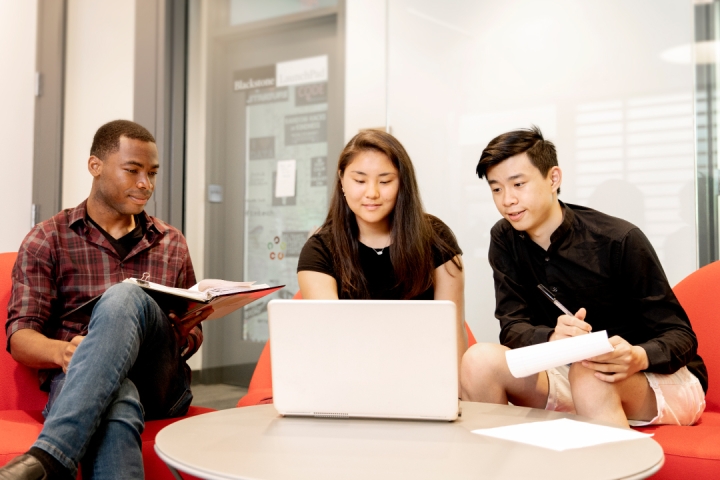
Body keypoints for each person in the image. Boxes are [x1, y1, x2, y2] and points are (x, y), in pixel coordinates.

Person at [460, 126, 707, 428]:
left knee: (592, 371)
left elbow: (681, 337)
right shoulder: (504, 237)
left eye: (518, 184)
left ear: (553, 179)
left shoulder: (619, 239)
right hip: (570, 370)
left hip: (656, 378)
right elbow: (512, 327)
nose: (507, 199)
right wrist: (551, 337)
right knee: (478, 361)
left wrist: (638, 356)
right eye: (496, 189)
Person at [1, 120, 204, 480]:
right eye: (133, 170)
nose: (146, 184)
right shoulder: (48, 239)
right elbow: (20, 338)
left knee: (125, 295)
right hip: (80, 373)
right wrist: (63, 352)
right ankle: (54, 455)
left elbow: (193, 333)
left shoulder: (171, 241)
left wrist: (184, 330)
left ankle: (50, 456)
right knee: (117, 397)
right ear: (95, 166)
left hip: (158, 381)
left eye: (152, 173)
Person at [297, 129, 467, 364]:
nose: (372, 193)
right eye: (360, 180)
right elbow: (331, 337)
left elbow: (453, 336)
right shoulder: (320, 250)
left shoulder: (436, 238)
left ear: (402, 183)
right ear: (342, 179)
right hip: (350, 374)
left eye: (385, 181)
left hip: (424, 372)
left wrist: (452, 396)